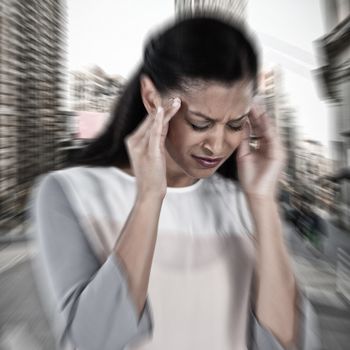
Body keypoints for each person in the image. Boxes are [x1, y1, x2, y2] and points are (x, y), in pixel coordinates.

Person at [29, 15, 320, 350]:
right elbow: (93, 341)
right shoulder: (70, 194)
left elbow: (287, 344)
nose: (218, 144)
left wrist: (262, 200)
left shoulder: (244, 205)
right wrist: (149, 198)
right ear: (153, 98)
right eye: (200, 123)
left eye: (235, 124)